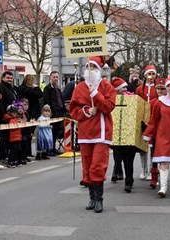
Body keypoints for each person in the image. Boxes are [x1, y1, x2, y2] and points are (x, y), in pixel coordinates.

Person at [69, 56, 116, 213]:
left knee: (98, 165)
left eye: (94, 67)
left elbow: (109, 106)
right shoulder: (80, 87)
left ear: (100, 70)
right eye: (88, 66)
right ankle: (92, 197)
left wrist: (96, 94)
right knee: (87, 166)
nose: (90, 70)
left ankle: (99, 199)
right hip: (85, 132)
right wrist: (86, 111)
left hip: (101, 133)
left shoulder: (106, 86)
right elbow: (73, 109)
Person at [110, 77, 137, 193]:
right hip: (116, 133)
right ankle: (117, 171)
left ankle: (129, 181)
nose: (125, 89)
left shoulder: (131, 99)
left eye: (125, 87)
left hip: (128, 132)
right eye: (122, 88)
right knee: (117, 156)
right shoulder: (111, 100)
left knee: (128, 159)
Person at [136, 65, 158, 180]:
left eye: (153, 74)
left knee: (152, 146)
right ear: (145, 75)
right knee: (142, 146)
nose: (151, 76)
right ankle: (143, 168)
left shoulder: (157, 88)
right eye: (149, 74)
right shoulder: (140, 88)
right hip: (142, 120)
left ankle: (151, 168)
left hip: (153, 119)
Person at [147, 77, 167, 189]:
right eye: (158, 88)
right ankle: (154, 177)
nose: (160, 91)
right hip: (155, 133)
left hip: (165, 132)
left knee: (163, 156)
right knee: (154, 155)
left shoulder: (169, 101)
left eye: (162, 88)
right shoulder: (152, 102)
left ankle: (163, 177)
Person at [0, 71, 18, 163]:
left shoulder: (11, 88)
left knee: (10, 136)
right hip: (4, 116)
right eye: (8, 78)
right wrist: (4, 114)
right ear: (3, 78)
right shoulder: (0, 87)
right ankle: (2, 156)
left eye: (11, 78)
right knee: (4, 138)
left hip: (12, 115)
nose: (10, 80)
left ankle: (8, 155)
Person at [43, 71, 66, 155]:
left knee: (56, 131)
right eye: (54, 77)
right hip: (53, 113)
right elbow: (47, 101)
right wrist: (50, 112)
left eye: (57, 77)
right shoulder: (47, 88)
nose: (56, 79)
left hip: (59, 112)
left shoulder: (58, 88)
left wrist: (63, 109)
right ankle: (49, 149)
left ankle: (52, 148)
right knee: (51, 132)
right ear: (50, 78)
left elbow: (60, 100)